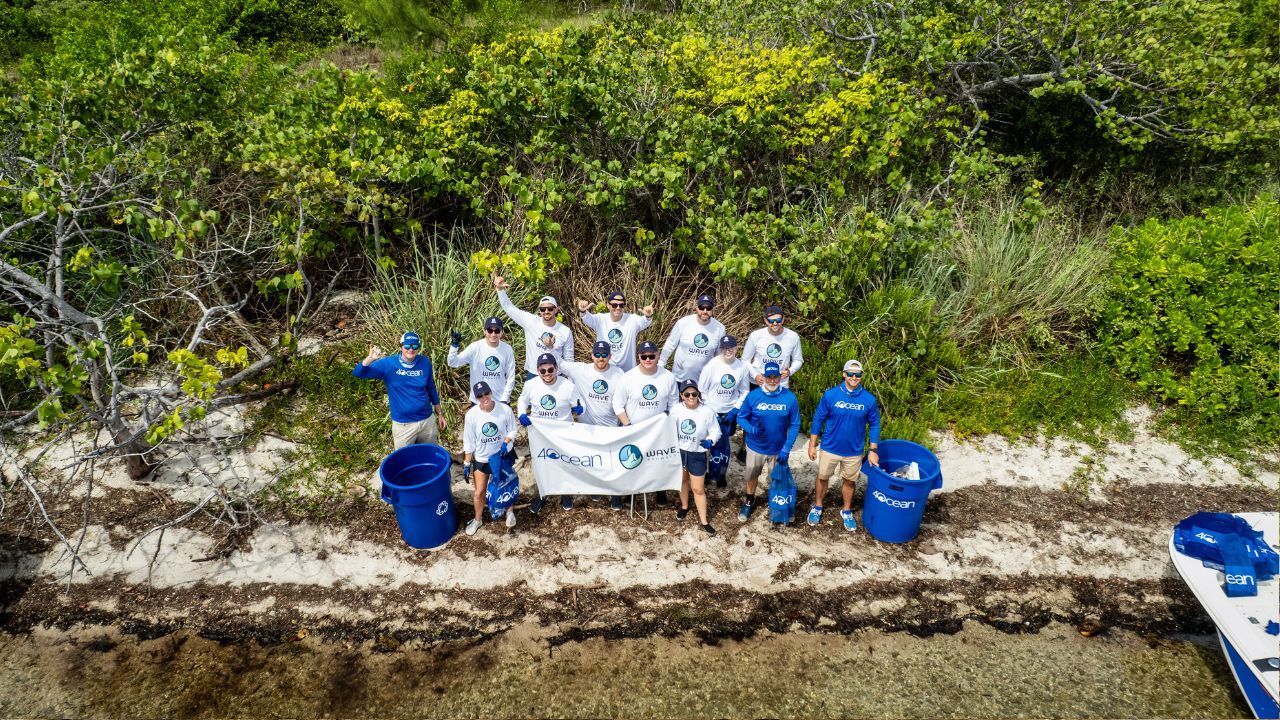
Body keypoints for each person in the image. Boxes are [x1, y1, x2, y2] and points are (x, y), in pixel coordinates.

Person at [806, 359, 881, 532]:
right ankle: (817, 506)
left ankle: (846, 511)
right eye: (850, 374)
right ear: (844, 374)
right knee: (823, 477)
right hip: (829, 447)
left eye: (858, 374)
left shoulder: (869, 400)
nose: (854, 377)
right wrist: (812, 444)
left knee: (849, 481)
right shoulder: (831, 395)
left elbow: (875, 424)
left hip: (853, 451)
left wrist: (873, 450)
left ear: (861, 376)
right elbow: (818, 418)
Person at [560, 340, 628, 510]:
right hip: (587, 428)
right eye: (597, 354)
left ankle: (614, 495)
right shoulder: (581, 369)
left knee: (611, 463)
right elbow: (558, 363)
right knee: (589, 460)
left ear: (610, 357)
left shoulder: (619, 373)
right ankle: (594, 489)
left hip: (610, 427)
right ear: (592, 356)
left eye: (604, 355)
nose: (600, 358)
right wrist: (548, 345)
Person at [353, 331, 446, 449]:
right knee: (405, 462)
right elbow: (358, 373)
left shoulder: (424, 362)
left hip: (427, 421)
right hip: (403, 425)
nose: (411, 349)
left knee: (429, 456)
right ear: (401, 346)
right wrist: (370, 358)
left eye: (415, 346)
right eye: (407, 346)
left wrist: (440, 414)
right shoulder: (388, 364)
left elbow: (431, 388)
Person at [516, 353, 584, 513]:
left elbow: (580, 405)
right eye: (543, 371)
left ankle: (565, 494)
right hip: (541, 433)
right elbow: (522, 400)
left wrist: (581, 409)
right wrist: (521, 413)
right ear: (538, 371)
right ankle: (542, 495)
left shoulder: (568, 386)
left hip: (563, 433)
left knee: (564, 463)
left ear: (556, 368)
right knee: (542, 464)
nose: (547, 374)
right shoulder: (531, 385)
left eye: (550, 369)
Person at [614, 340, 679, 506]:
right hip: (633, 429)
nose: (648, 359)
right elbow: (617, 404)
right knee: (633, 461)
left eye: (651, 356)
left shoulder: (668, 377)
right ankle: (632, 492)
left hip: (658, 430)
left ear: (657, 355)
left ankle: (660, 490)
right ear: (639, 357)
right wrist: (627, 425)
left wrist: (668, 424)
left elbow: (673, 404)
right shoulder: (628, 378)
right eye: (644, 356)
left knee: (658, 460)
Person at [734, 361, 800, 523]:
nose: (772, 380)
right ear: (762, 377)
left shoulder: (789, 397)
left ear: (780, 377)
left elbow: (795, 424)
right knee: (752, 476)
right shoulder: (754, 396)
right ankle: (749, 501)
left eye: (775, 377)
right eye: (769, 377)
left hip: (778, 449)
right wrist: (751, 429)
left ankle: (777, 505)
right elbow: (741, 417)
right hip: (755, 447)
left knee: (777, 479)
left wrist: (786, 448)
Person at [461, 381, 518, 535]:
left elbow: (512, 430)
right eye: (480, 396)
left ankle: (510, 511)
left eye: (486, 393)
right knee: (479, 491)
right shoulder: (471, 415)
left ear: (491, 393)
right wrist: (467, 463)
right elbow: (469, 441)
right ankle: (478, 520)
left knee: (506, 485)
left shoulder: (504, 410)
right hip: (482, 458)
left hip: (502, 455)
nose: (484, 397)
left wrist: (506, 443)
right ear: (476, 397)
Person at [494, 273, 574, 378]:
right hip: (534, 374)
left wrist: (571, 385)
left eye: (550, 308)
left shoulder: (565, 331)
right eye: (542, 309)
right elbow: (509, 308)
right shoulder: (531, 321)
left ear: (556, 309)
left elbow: (569, 361)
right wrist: (500, 290)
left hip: (555, 376)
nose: (546, 311)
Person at [697, 335, 750, 489]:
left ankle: (721, 474)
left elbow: (744, 391)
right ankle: (707, 473)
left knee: (724, 445)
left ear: (736, 348)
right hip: (712, 411)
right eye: (725, 348)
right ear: (721, 349)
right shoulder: (712, 365)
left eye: (731, 348)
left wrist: (735, 409)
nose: (728, 351)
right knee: (710, 444)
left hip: (729, 412)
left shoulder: (741, 367)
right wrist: (709, 410)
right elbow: (702, 389)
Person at [670, 379, 721, 535]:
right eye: (687, 394)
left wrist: (710, 441)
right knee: (682, 481)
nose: (691, 397)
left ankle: (704, 521)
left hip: (697, 453)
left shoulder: (707, 411)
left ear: (698, 394)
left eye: (694, 393)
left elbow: (716, 431)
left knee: (698, 488)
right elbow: (668, 427)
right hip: (679, 452)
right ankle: (684, 506)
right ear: (681, 395)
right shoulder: (676, 409)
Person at [448, 316, 517, 404]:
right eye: (490, 330)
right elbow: (452, 362)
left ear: (502, 332)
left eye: (497, 331)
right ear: (484, 331)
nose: (493, 334)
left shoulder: (507, 349)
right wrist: (454, 346)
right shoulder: (475, 347)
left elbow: (511, 377)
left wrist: (504, 399)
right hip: (478, 401)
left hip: (500, 401)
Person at [577, 292, 654, 371]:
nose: (618, 308)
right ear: (608, 305)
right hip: (606, 371)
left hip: (628, 372)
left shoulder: (632, 319)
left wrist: (648, 315)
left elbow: (645, 321)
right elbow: (587, 318)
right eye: (614, 305)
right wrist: (582, 311)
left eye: (621, 305)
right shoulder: (600, 319)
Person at [660, 293, 725, 382]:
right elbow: (670, 345)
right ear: (696, 308)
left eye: (708, 308)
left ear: (712, 310)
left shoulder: (720, 328)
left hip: (703, 381)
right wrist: (660, 364)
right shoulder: (683, 323)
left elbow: (719, 356)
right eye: (702, 308)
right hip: (679, 379)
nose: (705, 311)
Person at [742, 305, 804, 388]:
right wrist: (755, 375)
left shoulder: (793, 336)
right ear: (765, 321)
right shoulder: (756, 335)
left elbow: (798, 360)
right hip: (758, 383)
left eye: (778, 320)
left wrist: (790, 371)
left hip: (781, 384)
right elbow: (745, 360)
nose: (775, 323)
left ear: (783, 319)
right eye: (771, 321)